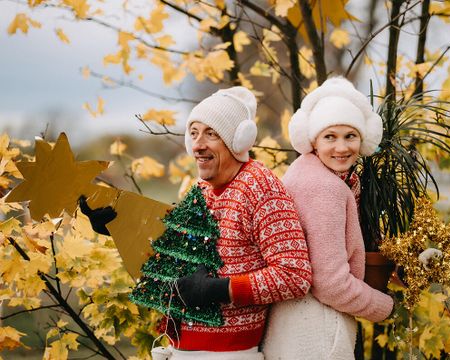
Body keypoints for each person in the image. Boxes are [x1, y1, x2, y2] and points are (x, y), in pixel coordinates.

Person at [81, 86, 312, 360]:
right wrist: (117, 227)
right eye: (194, 133)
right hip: (180, 347)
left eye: (211, 134)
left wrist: (217, 289)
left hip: (228, 354)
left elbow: (294, 275)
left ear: (238, 141)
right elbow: (173, 250)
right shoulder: (202, 188)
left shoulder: (260, 187)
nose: (198, 145)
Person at [262, 77, 394, 360]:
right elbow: (331, 284)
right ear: (313, 140)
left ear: (363, 138)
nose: (342, 148)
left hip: (292, 324)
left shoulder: (304, 171)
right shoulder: (325, 188)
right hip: (317, 333)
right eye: (330, 137)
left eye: (350, 136)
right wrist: (384, 305)